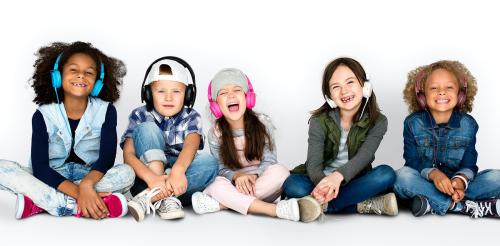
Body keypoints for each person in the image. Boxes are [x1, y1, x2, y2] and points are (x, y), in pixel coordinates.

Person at [0, 41, 133, 219]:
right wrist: (81, 193)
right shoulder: (43, 114)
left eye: (89, 72)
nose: (81, 76)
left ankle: (43, 202)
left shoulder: (106, 111)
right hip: (51, 176)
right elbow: (40, 167)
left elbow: (107, 159)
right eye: (73, 70)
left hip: (90, 176)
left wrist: (86, 185)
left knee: (127, 173)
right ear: (58, 76)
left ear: (98, 82)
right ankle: (84, 204)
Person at [191, 68, 322, 222]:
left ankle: (223, 204)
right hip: (234, 183)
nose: (231, 95)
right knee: (215, 182)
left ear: (248, 97)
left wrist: (254, 175)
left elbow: (270, 160)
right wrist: (237, 176)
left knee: (281, 171)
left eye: (237, 90)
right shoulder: (216, 133)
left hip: (261, 183)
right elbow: (221, 168)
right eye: (223, 93)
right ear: (216, 105)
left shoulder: (263, 123)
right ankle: (276, 210)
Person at [283, 57, 398, 217]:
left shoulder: (378, 121)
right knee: (292, 185)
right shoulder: (319, 121)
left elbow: (365, 156)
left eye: (350, 82)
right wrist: (325, 184)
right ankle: (362, 205)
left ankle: (316, 205)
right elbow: (313, 164)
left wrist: (338, 177)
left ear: (365, 87)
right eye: (336, 87)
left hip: (354, 180)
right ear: (329, 97)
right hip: (319, 181)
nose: (344, 91)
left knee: (386, 174)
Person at [394, 60, 500, 218]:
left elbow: (469, 164)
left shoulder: (469, 124)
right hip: (426, 183)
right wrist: (435, 175)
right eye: (434, 88)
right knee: (400, 177)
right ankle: (461, 207)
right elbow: (412, 162)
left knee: (496, 177)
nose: (441, 92)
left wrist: (460, 181)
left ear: (461, 94)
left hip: (459, 185)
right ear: (422, 96)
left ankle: (431, 203)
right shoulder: (412, 123)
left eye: (449, 87)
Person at [122, 56, 218, 221]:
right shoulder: (140, 114)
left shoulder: (191, 116)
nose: (168, 97)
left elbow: (191, 145)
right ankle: (164, 195)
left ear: (187, 95)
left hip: (179, 175)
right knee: (148, 128)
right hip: (145, 177)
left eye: (176, 91)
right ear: (148, 94)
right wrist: (152, 178)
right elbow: (128, 155)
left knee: (210, 163)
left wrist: (177, 172)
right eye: (161, 91)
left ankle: (152, 198)